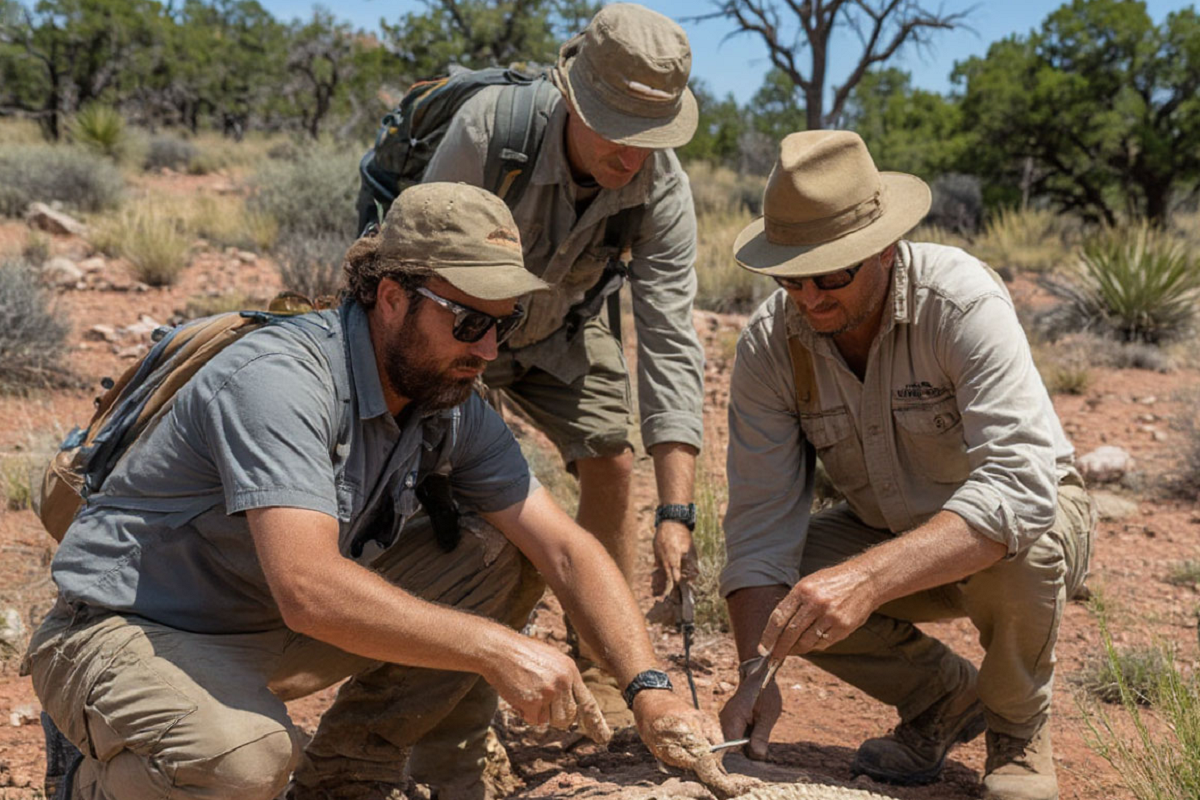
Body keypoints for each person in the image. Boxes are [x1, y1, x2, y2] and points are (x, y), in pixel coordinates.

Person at [24, 183, 717, 800]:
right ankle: (89, 778)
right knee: (241, 765)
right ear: (391, 299)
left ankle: (348, 775)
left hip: (271, 626)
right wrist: (493, 647)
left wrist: (648, 690)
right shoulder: (280, 379)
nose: (488, 351)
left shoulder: (446, 394)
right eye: (469, 322)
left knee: (500, 554)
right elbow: (309, 588)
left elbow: (564, 549)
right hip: (131, 629)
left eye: (502, 325)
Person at [716, 131, 1094, 800]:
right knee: (784, 592)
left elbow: (1022, 487)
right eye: (789, 276)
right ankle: (943, 698)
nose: (809, 298)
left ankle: (1016, 732)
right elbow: (757, 528)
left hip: (1017, 531)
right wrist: (756, 672)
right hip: (887, 530)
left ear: (884, 249)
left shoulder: (961, 301)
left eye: (832, 273)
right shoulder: (771, 346)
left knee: (1022, 544)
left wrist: (865, 578)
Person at [414, 3, 706, 689]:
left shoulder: (659, 185)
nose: (631, 155)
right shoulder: (490, 133)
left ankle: (605, 669)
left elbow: (668, 338)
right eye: (616, 130)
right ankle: (434, 670)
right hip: (454, 322)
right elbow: (415, 272)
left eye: (650, 135)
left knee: (610, 457)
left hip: (561, 326)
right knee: (444, 485)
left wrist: (677, 513)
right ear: (573, 98)